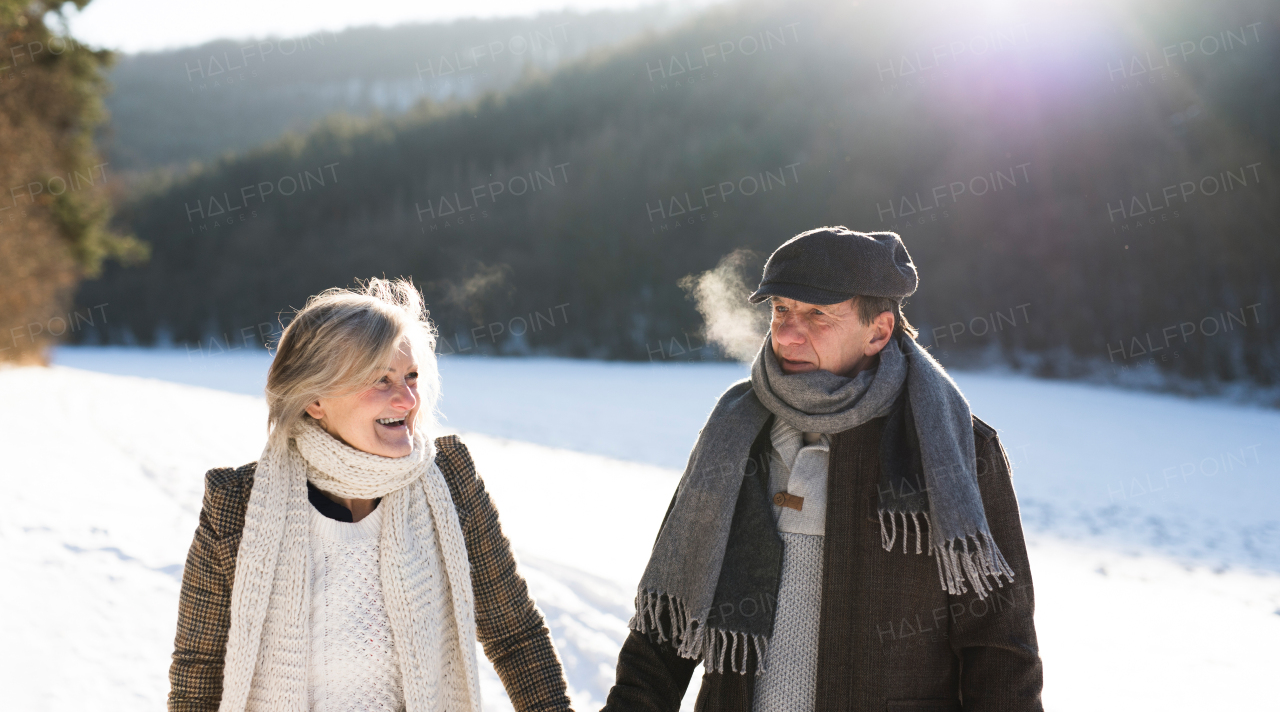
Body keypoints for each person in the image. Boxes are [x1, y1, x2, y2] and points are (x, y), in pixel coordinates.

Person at [603, 227, 1043, 712]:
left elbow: (1000, 648)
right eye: (781, 310)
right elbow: (665, 629)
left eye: (817, 315)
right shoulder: (734, 434)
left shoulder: (958, 449)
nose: (788, 333)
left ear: (878, 331)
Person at [168, 278, 572, 712]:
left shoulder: (450, 483)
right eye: (381, 380)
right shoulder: (237, 506)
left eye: (411, 376)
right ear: (315, 400)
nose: (406, 399)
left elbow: (515, 633)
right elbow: (200, 669)